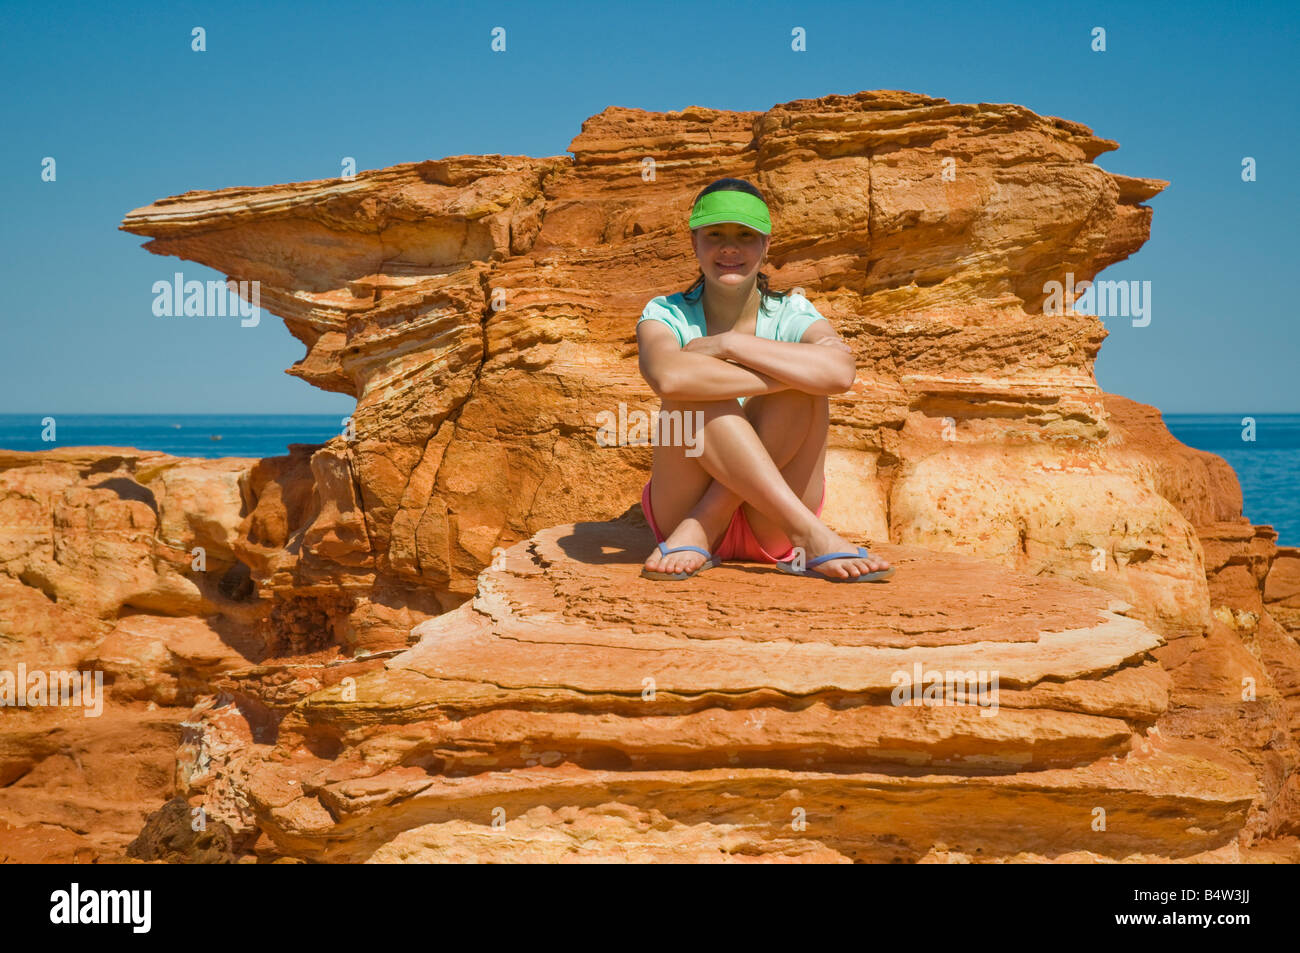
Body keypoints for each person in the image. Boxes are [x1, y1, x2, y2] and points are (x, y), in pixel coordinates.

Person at [635, 178, 894, 582]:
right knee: (693, 390)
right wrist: (782, 376)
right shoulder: (665, 312)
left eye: (745, 235)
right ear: (695, 242)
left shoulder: (792, 312)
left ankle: (719, 519)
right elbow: (667, 377)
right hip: (681, 508)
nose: (730, 248)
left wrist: (729, 345)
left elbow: (840, 373)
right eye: (715, 234)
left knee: (801, 394)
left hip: (765, 525)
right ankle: (809, 533)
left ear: (766, 245)